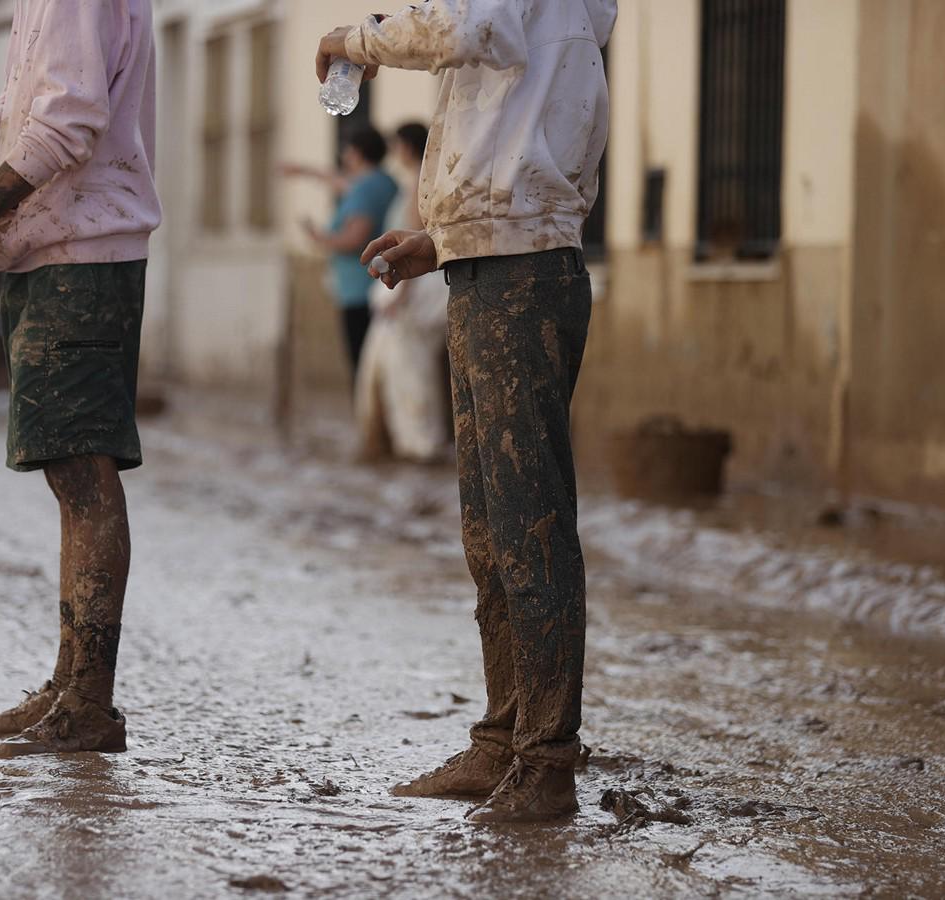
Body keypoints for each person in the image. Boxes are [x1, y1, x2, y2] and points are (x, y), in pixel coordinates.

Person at [317, 0, 616, 823]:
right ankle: (504, 742)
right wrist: (443, 238)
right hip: (492, 264)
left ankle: (546, 761)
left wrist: (355, 41)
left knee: (530, 525)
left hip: (522, 276)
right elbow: (508, 112)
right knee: (490, 526)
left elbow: (461, 26)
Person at [0, 0, 161, 757]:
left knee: (83, 472)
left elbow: (68, 127)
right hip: (53, 252)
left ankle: (88, 702)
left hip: (82, 256)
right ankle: (70, 685)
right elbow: (28, 119)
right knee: (70, 477)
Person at [353, 122, 450, 463]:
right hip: (412, 288)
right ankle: (404, 438)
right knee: (398, 363)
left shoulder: (418, 185)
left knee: (409, 364)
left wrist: (400, 295)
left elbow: (413, 244)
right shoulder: (418, 181)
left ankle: (418, 440)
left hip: (414, 289)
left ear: (407, 147)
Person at [281, 127, 397, 374]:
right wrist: (303, 171)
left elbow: (357, 238)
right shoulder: (383, 181)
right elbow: (337, 181)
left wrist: (320, 239)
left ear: (355, 152)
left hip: (360, 290)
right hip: (377, 288)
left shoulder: (365, 188)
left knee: (363, 367)